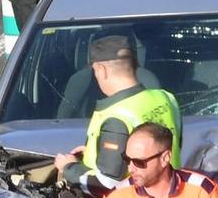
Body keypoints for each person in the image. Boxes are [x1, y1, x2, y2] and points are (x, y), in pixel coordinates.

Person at [53, 34, 182, 188]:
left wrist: (69, 168)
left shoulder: (116, 116)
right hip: (170, 194)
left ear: (101, 70)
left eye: (94, 70)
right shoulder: (165, 98)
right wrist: (94, 153)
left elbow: (107, 183)